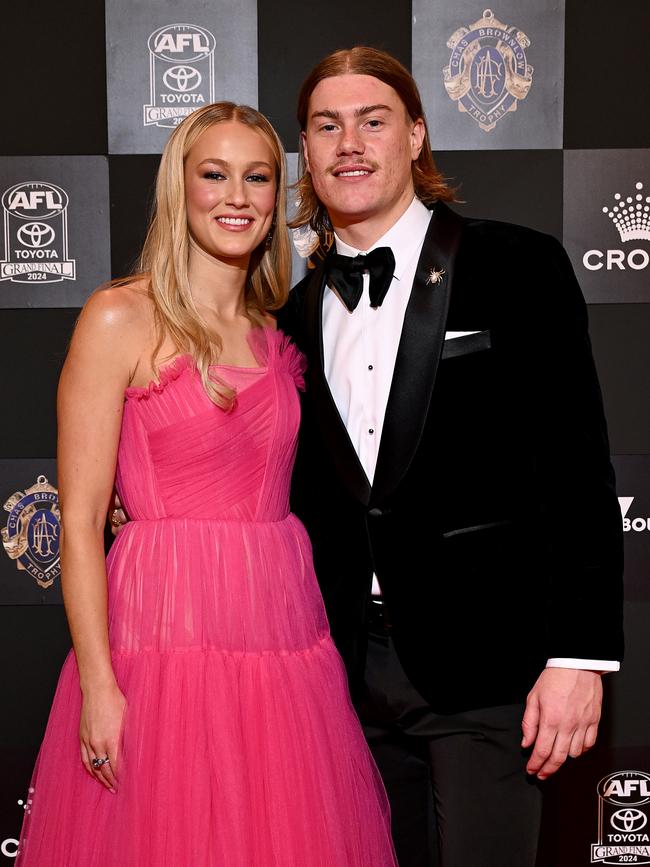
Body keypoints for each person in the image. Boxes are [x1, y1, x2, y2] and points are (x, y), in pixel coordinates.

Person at [15, 102, 397, 867]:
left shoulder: (280, 327)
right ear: (178, 187)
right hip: (162, 639)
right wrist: (99, 681)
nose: (237, 197)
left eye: (257, 177)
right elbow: (83, 520)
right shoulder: (119, 318)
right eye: (213, 174)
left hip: (285, 641)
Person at [278, 47, 624, 867]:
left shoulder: (516, 263)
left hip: (490, 664)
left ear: (417, 136)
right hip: (343, 679)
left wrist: (580, 654)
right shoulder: (292, 311)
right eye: (327, 127)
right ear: (308, 153)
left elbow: (579, 466)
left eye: (373, 120)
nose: (349, 143)